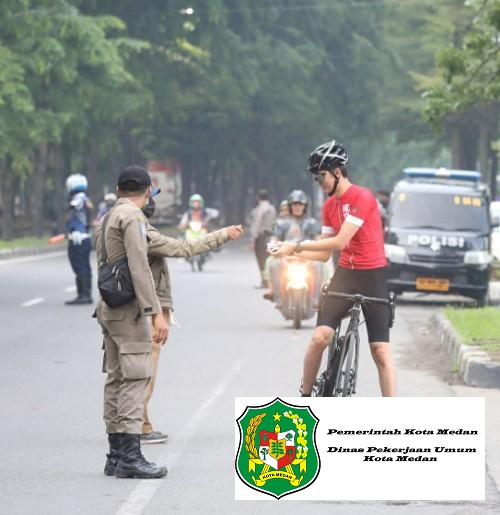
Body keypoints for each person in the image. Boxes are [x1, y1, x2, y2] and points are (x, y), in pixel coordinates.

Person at [271, 140, 396, 397]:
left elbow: (340, 241)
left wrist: (295, 246)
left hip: (373, 275)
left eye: (321, 176)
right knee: (319, 339)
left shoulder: (363, 197)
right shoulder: (330, 206)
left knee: (380, 352)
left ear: (337, 172)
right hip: (345, 275)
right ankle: (305, 399)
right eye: (316, 178)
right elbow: (325, 252)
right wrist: (290, 251)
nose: (319, 182)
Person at [138, 190, 244, 444]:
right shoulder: (142, 231)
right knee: (143, 369)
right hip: (144, 308)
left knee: (129, 371)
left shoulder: (114, 223)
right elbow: (183, 247)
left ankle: (135, 424)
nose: (151, 202)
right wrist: (222, 235)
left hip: (127, 306)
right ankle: (136, 427)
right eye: (148, 196)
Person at [94, 165, 168, 479]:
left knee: (115, 378)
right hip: (129, 311)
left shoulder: (107, 217)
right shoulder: (134, 218)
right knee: (135, 379)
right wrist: (156, 312)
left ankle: (114, 454)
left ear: (119, 188)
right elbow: (139, 267)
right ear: (148, 190)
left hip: (109, 307)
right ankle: (130, 457)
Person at [264, 190, 321, 306]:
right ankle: (278, 298)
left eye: (300, 204)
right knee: (274, 265)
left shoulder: (312, 222)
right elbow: (274, 238)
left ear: (305, 206)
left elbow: (318, 239)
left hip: (307, 257)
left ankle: (316, 298)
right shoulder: (280, 223)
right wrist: (272, 245)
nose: (297, 207)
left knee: (318, 265)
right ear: (290, 206)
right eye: (294, 204)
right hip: (286, 256)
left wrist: (319, 246)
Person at [65, 173, 94, 305]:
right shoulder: (86, 199)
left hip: (78, 239)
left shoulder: (79, 199)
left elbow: (74, 206)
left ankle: (83, 295)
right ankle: (86, 294)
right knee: (85, 266)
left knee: (79, 266)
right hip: (84, 238)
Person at [249, 189, 277, 288]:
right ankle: (269, 281)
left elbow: (256, 224)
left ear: (258, 198)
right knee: (268, 259)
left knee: (261, 260)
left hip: (261, 237)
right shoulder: (272, 208)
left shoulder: (259, 209)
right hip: (270, 236)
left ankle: (264, 281)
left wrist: (252, 239)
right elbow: (274, 223)